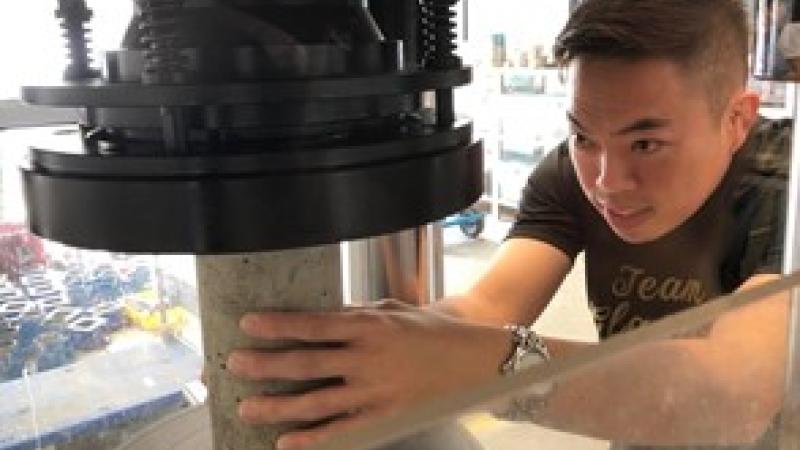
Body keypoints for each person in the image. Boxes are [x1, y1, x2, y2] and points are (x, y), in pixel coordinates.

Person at [223, 0, 793, 449]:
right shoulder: (569, 174)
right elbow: (489, 307)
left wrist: (485, 368)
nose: (607, 181)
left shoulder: (785, 192)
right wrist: (362, 351)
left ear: (737, 119)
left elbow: (735, 393)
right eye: (584, 136)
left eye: (646, 143)